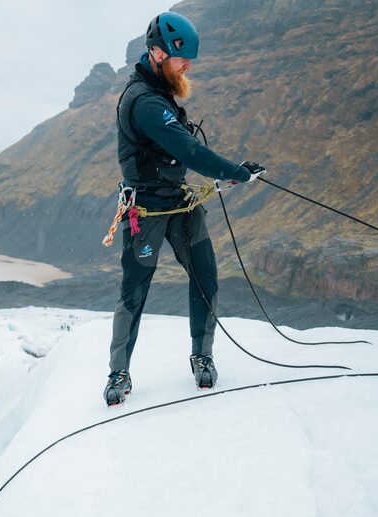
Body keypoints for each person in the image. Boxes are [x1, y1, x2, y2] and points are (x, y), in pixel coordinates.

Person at [105, 11, 267, 406]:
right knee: (135, 290)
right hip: (145, 212)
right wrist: (236, 174)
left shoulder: (159, 92)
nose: (188, 65)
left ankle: (202, 356)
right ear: (158, 54)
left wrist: (229, 174)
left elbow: (181, 152)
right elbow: (188, 149)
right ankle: (118, 373)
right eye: (182, 58)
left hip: (180, 203)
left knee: (205, 277)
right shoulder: (143, 102)